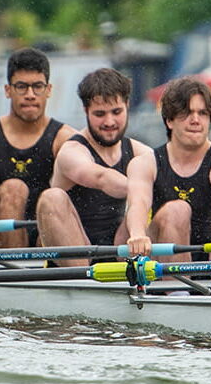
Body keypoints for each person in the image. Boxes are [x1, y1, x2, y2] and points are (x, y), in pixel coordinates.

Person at [0, 47, 75, 248]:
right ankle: (16, 267)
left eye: (37, 86)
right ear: (8, 90)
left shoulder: (65, 138)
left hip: (44, 238)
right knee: (14, 188)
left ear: (48, 90)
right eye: (21, 86)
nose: (30, 95)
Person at [35, 68, 152, 266]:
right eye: (99, 114)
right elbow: (101, 178)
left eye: (116, 112)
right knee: (51, 197)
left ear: (127, 106)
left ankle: (177, 289)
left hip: (120, 249)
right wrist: (146, 187)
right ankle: (80, 282)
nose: (109, 122)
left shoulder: (140, 152)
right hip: (76, 254)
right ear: (85, 111)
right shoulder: (71, 151)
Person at [125, 77, 211, 261]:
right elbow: (138, 203)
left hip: (209, 256)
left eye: (202, 113)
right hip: (159, 260)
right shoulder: (144, 164)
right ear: (169, 121)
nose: (195, 120)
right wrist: (137, 235)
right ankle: (176, 290)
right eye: (187, 113)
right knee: (177, 210)